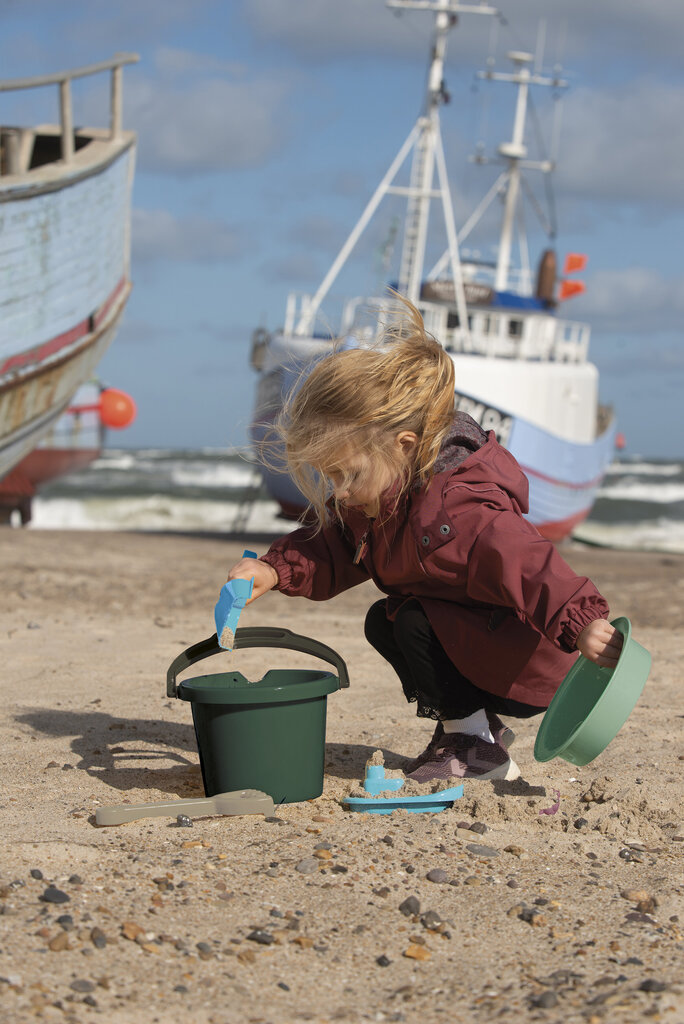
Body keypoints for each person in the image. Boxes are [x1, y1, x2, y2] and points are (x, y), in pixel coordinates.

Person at [227, 299, 622, 782]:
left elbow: (529, 564)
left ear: (404, 447)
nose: (340, 492)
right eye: (330, 478)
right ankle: (477, 731)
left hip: (528, 662)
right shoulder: (378, 501)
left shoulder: (460, 507)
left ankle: (473, 746)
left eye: (347, 475)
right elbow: (331, 547)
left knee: (410, 618)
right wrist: (274, 568)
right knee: (385, 620)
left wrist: (581, 622)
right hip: (479, 648)